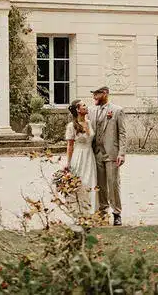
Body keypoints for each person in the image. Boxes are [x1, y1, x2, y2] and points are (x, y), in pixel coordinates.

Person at [91, 86, 126, 226]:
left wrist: (121, 153)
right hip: (97, 153)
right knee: (101, 185)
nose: (94, 97)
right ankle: (103, 211)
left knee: (113, 184)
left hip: (112, 153)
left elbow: (122, 133)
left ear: (105, 94)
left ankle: (117, 213)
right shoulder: (92, 111)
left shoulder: (117, 110)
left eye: (96, 94)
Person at [64, 99, 97, 214]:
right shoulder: (71, 126)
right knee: (80, 181)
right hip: (78, 156)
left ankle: (90, 210)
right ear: (78, 110)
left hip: (89, 155)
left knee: (90, 181)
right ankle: (78, 210)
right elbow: (70, 146)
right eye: (83, 105)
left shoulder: (89, 122)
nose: (86, 107)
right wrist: (68, 163)